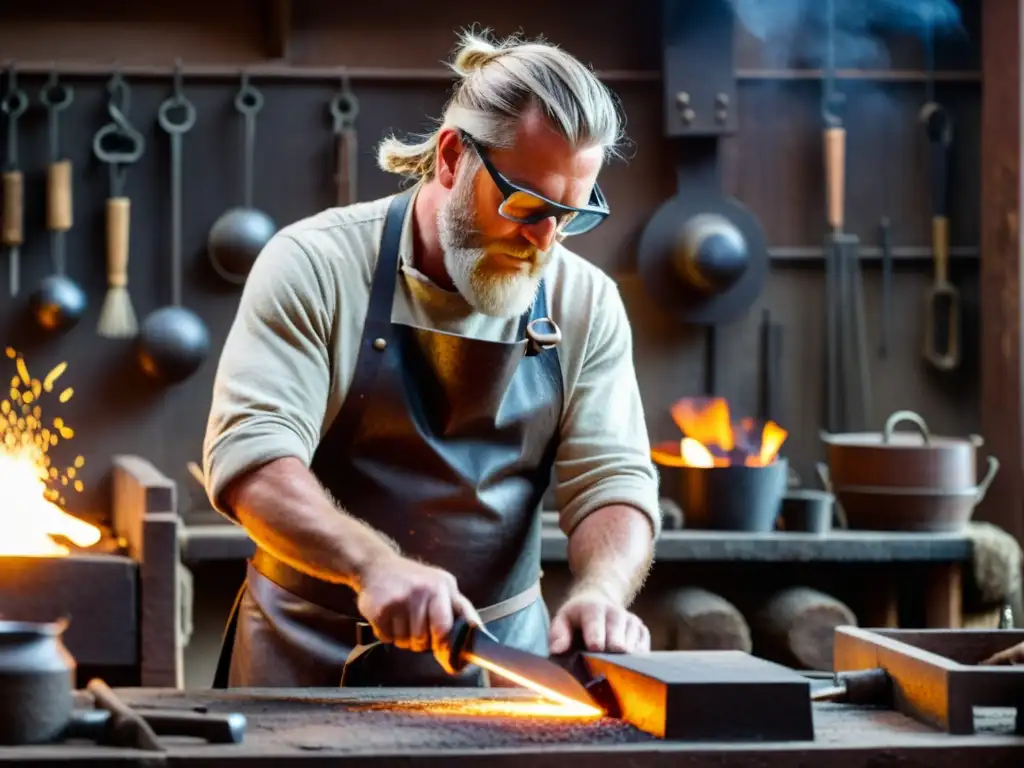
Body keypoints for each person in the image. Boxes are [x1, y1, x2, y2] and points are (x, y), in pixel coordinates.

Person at [203, 28, 661, 689]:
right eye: (527, 204)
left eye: (570, 212)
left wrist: (603, 592)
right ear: (452, 158)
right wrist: (372, 564)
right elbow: (252, 456)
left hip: (505, 674)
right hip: (307, 656)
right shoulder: (317, 265)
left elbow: (613, 480)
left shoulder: (584, 299)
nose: (545, 240)